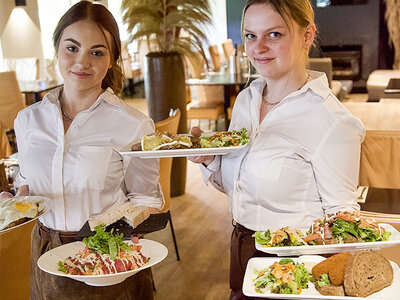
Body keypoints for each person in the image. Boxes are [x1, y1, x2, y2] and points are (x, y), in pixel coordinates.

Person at [189, 0, 365, 298]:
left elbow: (342, 216)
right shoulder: (246, 101)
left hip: (297, 266)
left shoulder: (332, 121)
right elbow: (241, 190)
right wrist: (210, 161)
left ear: (307, 35)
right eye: (250, 36)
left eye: (274, 35)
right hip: (241, 249)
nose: (258, 48)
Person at [0, 2, 163, 299]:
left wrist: (123, 231)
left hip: (108, 255)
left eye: (97, 52)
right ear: (57, 50)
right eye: (71, 48)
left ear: (112, 60)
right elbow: (27, 183)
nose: (82, 62)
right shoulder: (27, 120)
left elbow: (147, 198)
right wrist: (15, 204)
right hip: (45, 252)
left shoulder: (133, 125)